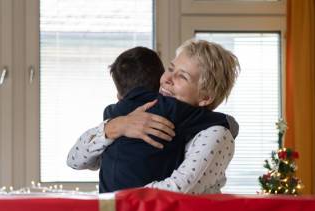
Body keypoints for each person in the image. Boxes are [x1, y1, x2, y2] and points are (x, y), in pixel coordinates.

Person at [67, 39, 240, 194]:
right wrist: (116, 126)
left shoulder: (217, 133)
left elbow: (178, 190)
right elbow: (75, 160)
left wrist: (115, 199)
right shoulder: (139, 113)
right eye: (170, 69)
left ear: (205, 97)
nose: (167, 79)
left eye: (182, 77)